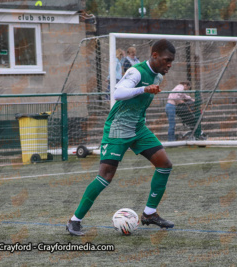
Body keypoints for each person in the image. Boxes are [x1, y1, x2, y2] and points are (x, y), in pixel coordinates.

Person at [66, 39, 176, 236]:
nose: (169, 65)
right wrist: (143, 89)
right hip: (118, 129)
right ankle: (74, 221)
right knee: (106, 176)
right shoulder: (136, 72)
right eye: (166, 60)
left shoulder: (157, 76)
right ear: (155, 55)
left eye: (171, 62)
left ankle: (149, 214)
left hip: (138, 128)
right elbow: (118, 93)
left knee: (164, 164)